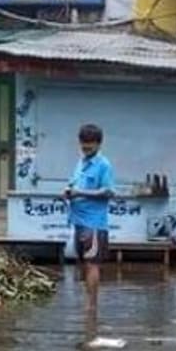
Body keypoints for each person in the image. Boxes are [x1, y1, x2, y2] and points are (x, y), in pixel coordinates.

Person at [64, 123, 115, 293]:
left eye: (90, 142)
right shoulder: (81, 163)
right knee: (83, 264)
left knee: (92, 264)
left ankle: (91, 311)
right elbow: (74, 184)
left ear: (99, 144)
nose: (85, 146)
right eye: (83, 142)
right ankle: (88, 311)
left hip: (93, 223)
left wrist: (80, 192)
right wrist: (69, 191)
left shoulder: (103, 165)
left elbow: (108, 191)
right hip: (78, 221)